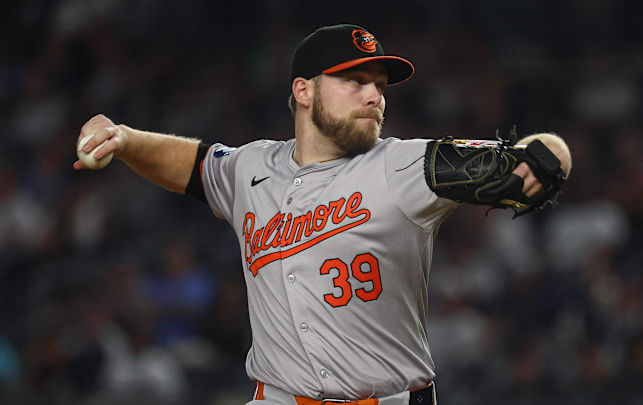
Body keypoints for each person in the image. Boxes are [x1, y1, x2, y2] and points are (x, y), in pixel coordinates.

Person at [74, 24, 571, 405]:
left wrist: (548, 156)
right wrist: (126, 139)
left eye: (379, 85)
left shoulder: (405, 165)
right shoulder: (252, 166)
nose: (375, 96)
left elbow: (526, 156)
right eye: (355, 81)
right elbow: (195, 164)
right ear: (304, 91)